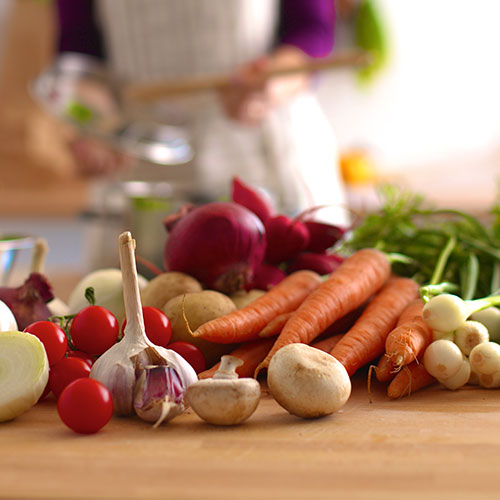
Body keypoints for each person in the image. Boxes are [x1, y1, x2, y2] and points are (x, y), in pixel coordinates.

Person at [54, 0, 347, 222]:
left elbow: (312, 28)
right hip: (141, 167)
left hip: (265, 154)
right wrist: (94, 124)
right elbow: (78, 48)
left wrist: (274, 80)